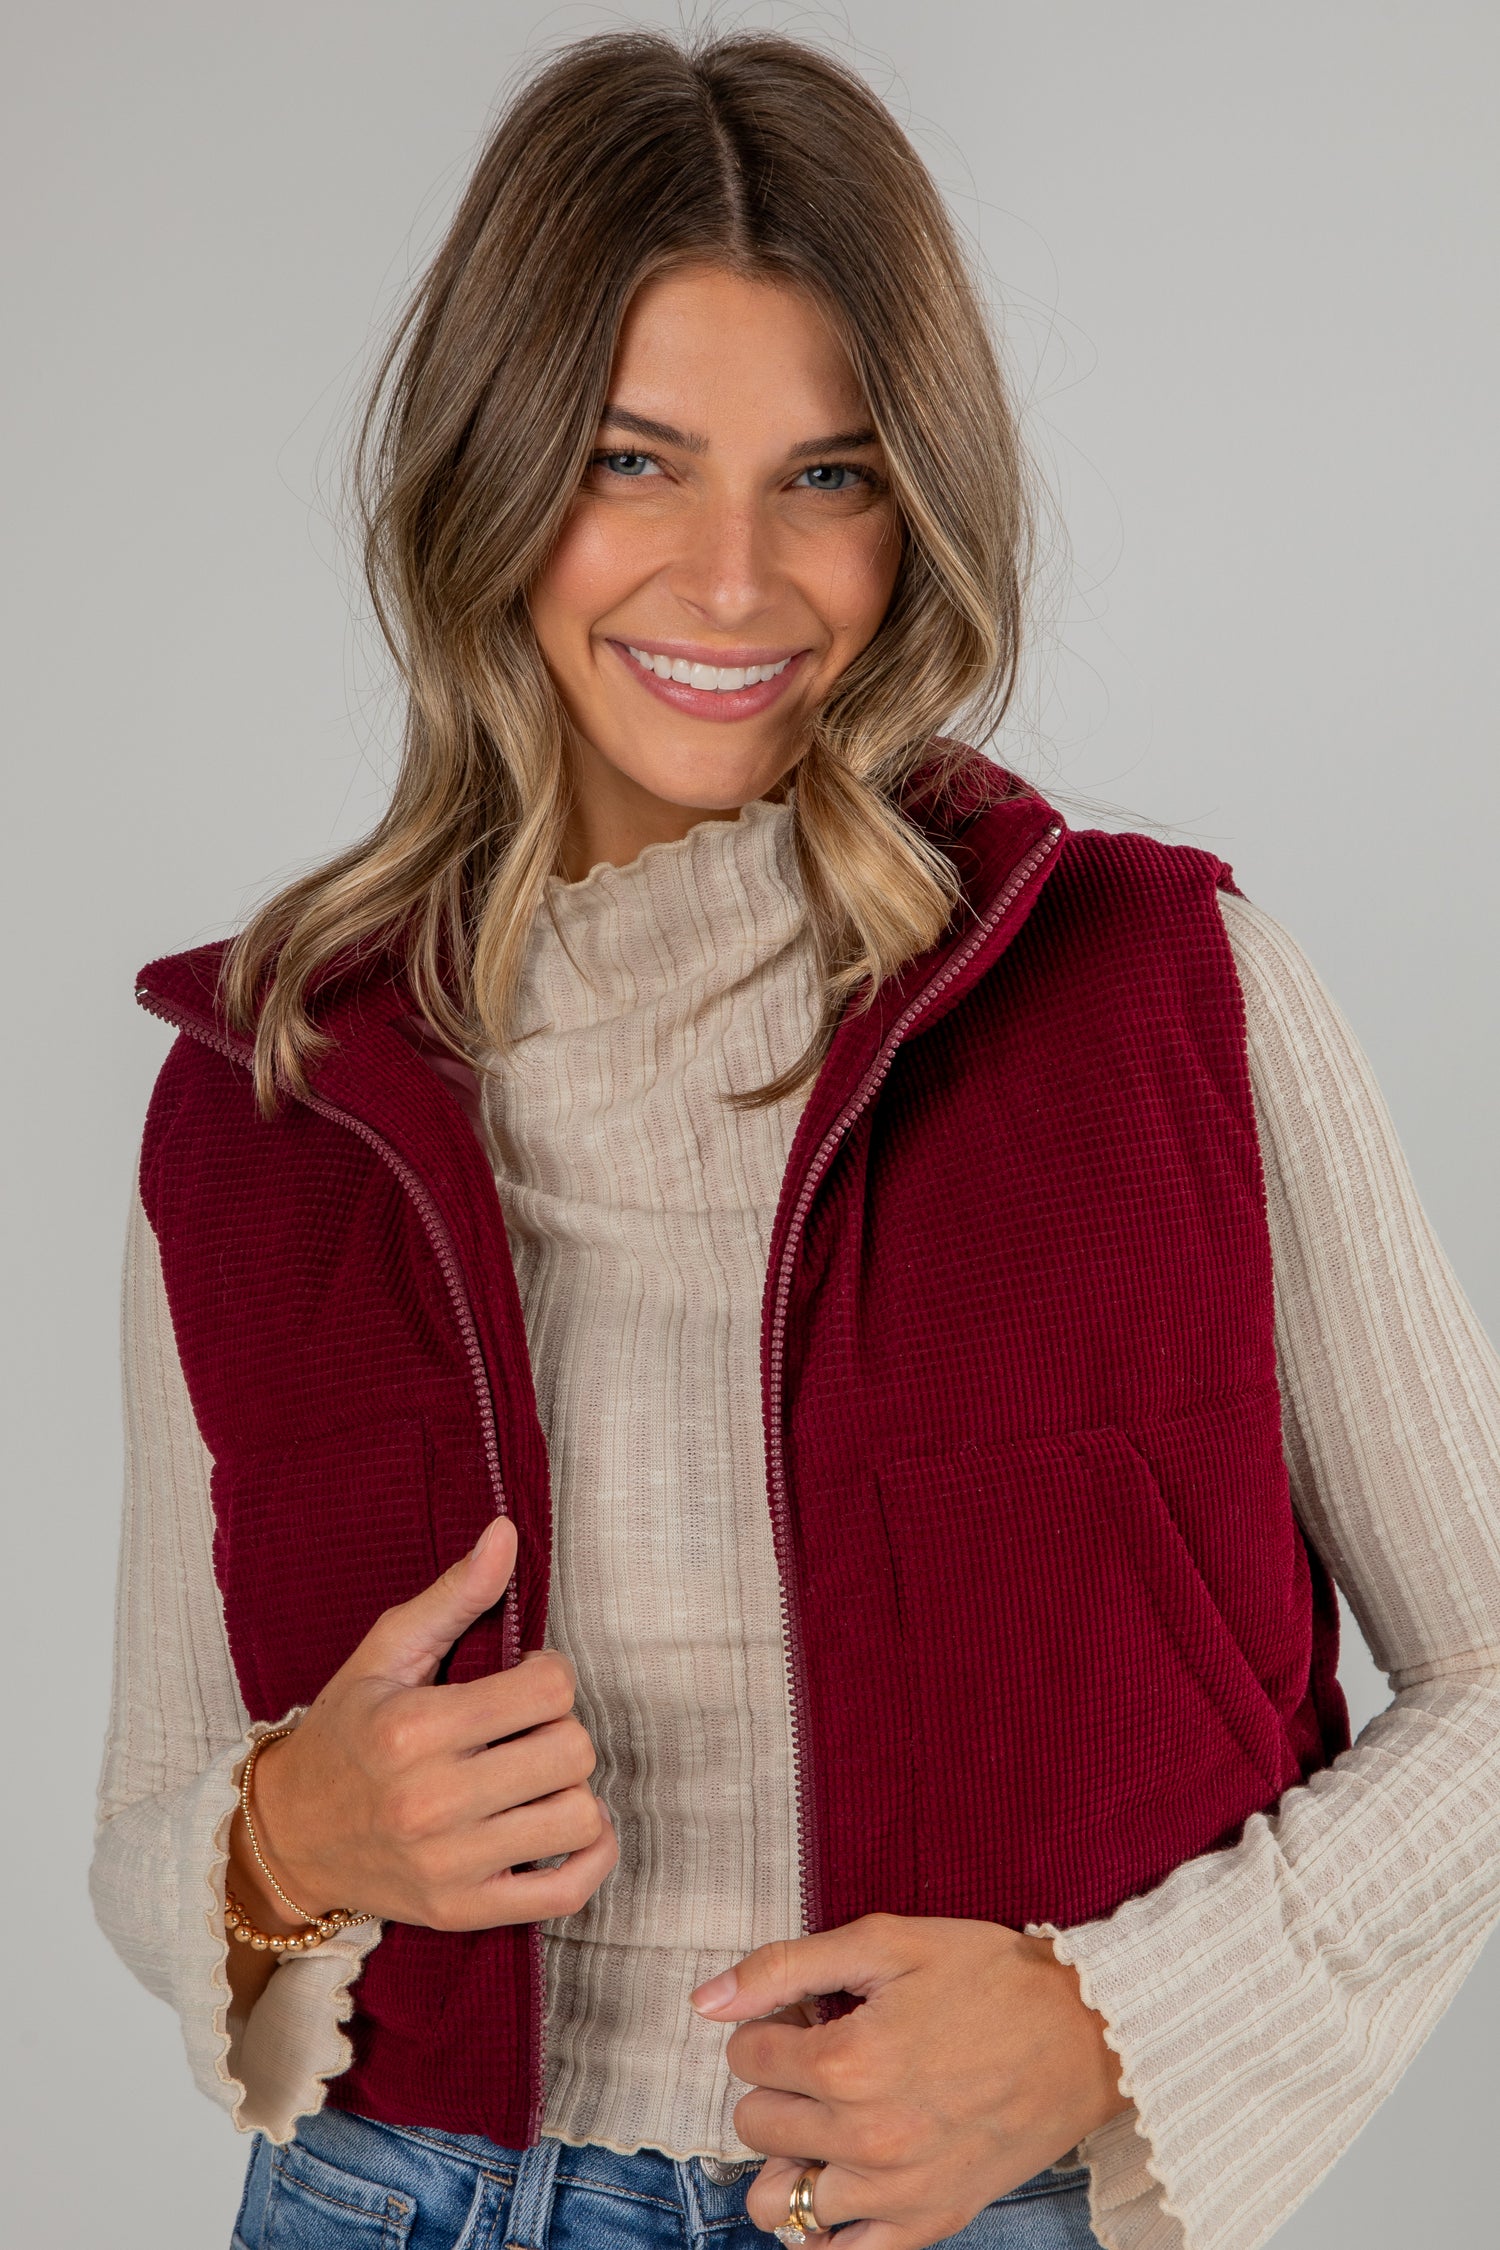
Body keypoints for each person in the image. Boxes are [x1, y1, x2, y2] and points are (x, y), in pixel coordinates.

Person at [91, 28, 1500, 2250]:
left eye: (828, 476)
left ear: (919, 506)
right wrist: (279, 1846)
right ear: (488, 476)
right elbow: (153, 1815)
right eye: (633, 460)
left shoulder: (1154, 989)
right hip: (385, 2201)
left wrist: (1110, 2021)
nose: (735, 582)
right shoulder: (265, 1096)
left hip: (959, 2216)